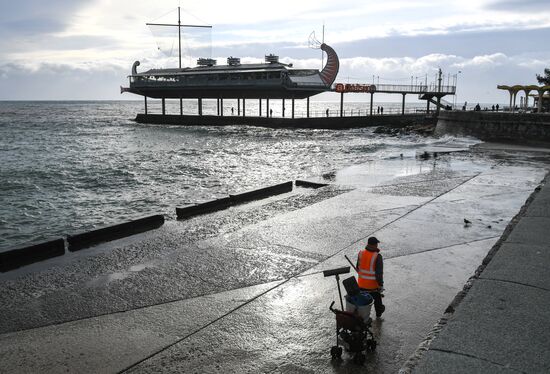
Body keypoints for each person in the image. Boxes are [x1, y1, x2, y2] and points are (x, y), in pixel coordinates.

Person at [356, 236, 385, 318]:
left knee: (364, 298)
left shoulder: (361, 253)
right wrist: (381, 285)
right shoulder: (377, 256)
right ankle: (379, 312)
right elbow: (379, 273)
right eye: (376, 244)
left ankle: (362, 313)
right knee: (377, 297)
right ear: (375, 245)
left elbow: (358, 268)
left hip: (360, 285)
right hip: (372, 287)